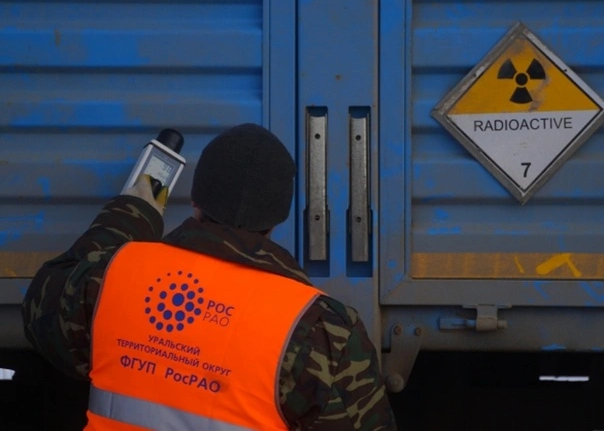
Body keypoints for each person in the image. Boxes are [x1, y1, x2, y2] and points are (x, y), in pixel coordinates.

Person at [22, 123, 396, 430]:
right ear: (276, 220)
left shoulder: (112, 278)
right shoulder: (321, 331)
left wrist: (132, 214)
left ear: (195, 199)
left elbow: (41, 310)